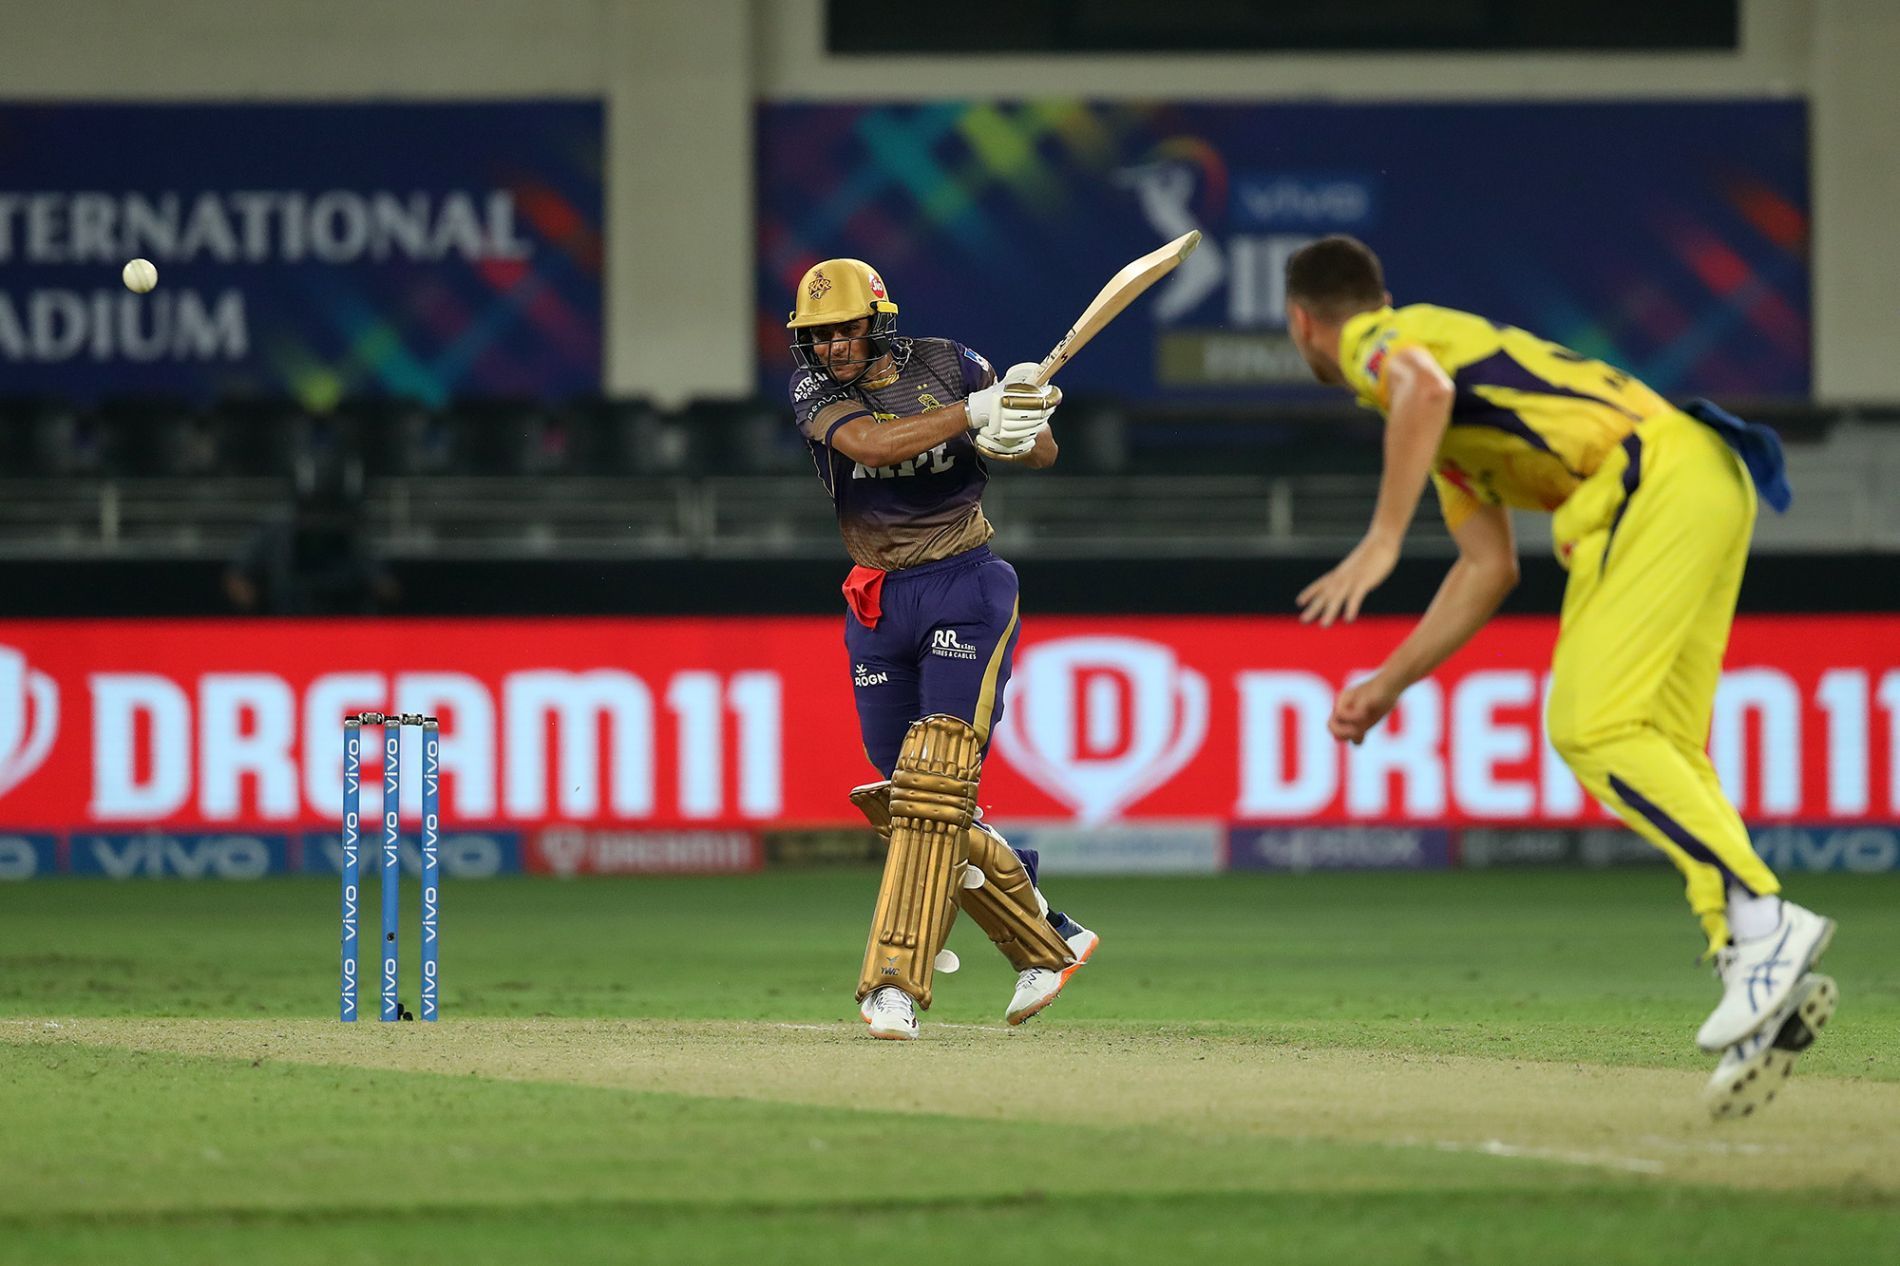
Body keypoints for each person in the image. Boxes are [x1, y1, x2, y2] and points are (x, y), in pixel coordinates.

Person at [1283, 234, 1837, 1117]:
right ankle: (1755, 971)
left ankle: (1768, 926)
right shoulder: (1454, 427)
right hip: (1704, 476)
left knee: (1591, 727)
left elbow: (1418, 386)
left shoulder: (1380, 344)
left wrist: (1383, 539)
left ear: (1300, 321)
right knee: (1663, 746)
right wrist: (1387, 684)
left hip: (1651, 479)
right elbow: (1486, 570)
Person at [785, 257, 1098, 1040]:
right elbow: (875, 447)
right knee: (907, 801)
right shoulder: (816, 394)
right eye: (818, 336)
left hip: (965, 582)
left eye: (846, 329)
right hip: (876, 599)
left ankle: (893, 985)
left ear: (880, 319)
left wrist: (1017, 423)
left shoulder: (952, 363)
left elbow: (1041, 454)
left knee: (935, 782)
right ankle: (1047, 930)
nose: (833, 347)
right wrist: (975, 412)